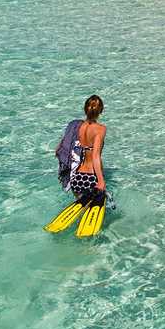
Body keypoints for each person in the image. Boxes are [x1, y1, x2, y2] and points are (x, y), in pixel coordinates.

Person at [45, 95, 109, 236]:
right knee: (91, 216)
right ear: (101, 111)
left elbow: (61, 147)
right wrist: (101, 180)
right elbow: (96, 156)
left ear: (85, 109)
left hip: (77, 177)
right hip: (91, 177)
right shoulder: (100, 129)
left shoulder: (77, 127)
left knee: (81, 207)